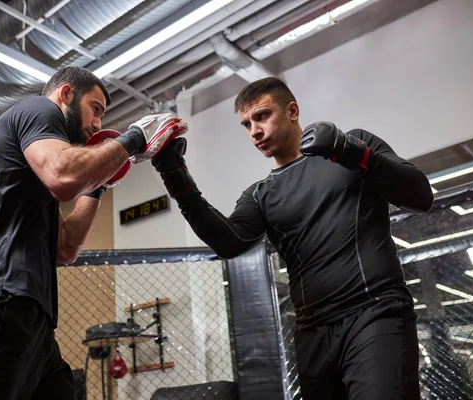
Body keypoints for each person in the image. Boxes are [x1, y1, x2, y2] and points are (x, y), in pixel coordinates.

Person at [151, 76, 433, 399]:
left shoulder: (353, 146)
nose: (254, 131)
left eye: (262, 116)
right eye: (246, 124)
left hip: (375, 315)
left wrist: (354, 153)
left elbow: (422, 196)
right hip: (313, 335)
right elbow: (228, 241)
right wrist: (175, 175)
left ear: (292, 111)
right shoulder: (260, 194)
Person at [0, 66, 187, 400]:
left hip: (33, 322)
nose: (97, 124)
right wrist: (135, 137)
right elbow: (64, 176)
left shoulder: (34, 181)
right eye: (95, 109)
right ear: (66, 95)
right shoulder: (37, 110)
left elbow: (65, 247)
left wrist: (98, 186)